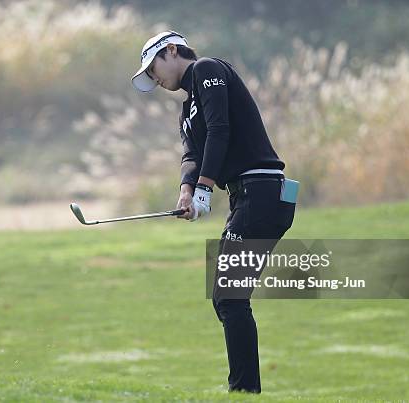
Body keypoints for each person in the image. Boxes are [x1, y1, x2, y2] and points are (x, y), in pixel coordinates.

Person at [131, 31, 295, 393]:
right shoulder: (187, 108)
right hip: (247, 197)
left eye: (153, 68)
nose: (154, 79)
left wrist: (205, 188)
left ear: (171, 50)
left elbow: (221, 129)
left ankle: (244, 391)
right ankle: (244, 390)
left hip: (263, 191)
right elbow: (191, 154)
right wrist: (187, 191)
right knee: (227, 298)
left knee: (229, 297)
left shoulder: (208, 70)